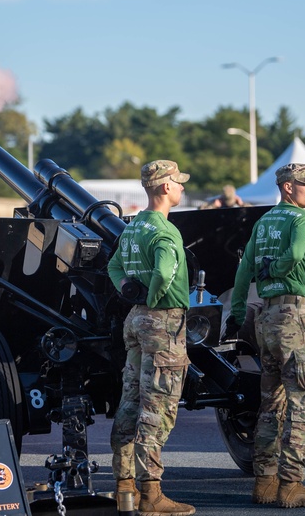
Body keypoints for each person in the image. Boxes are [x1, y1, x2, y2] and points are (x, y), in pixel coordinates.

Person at [224, 163, 305, 508]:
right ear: (288, 188)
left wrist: (237, 314)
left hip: (266, 318)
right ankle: (292, 485)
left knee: (271, 404)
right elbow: (297, 253)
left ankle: (265, 483)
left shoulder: (264, 221)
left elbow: (243, 271)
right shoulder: (302, 220)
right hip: (292, 316)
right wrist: (279, 267)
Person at [107, 160, 195, 516]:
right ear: (163, 188)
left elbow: (114, 267)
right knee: (157, 408)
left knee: (131, 401)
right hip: (162, 322)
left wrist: (130, 290)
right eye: (178, 182)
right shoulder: (165, 231)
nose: (182, 188)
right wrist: (155, 299)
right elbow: (163, 271)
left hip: (135, 320)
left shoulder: (133, 226)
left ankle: (124, 486)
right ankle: (151, 494)